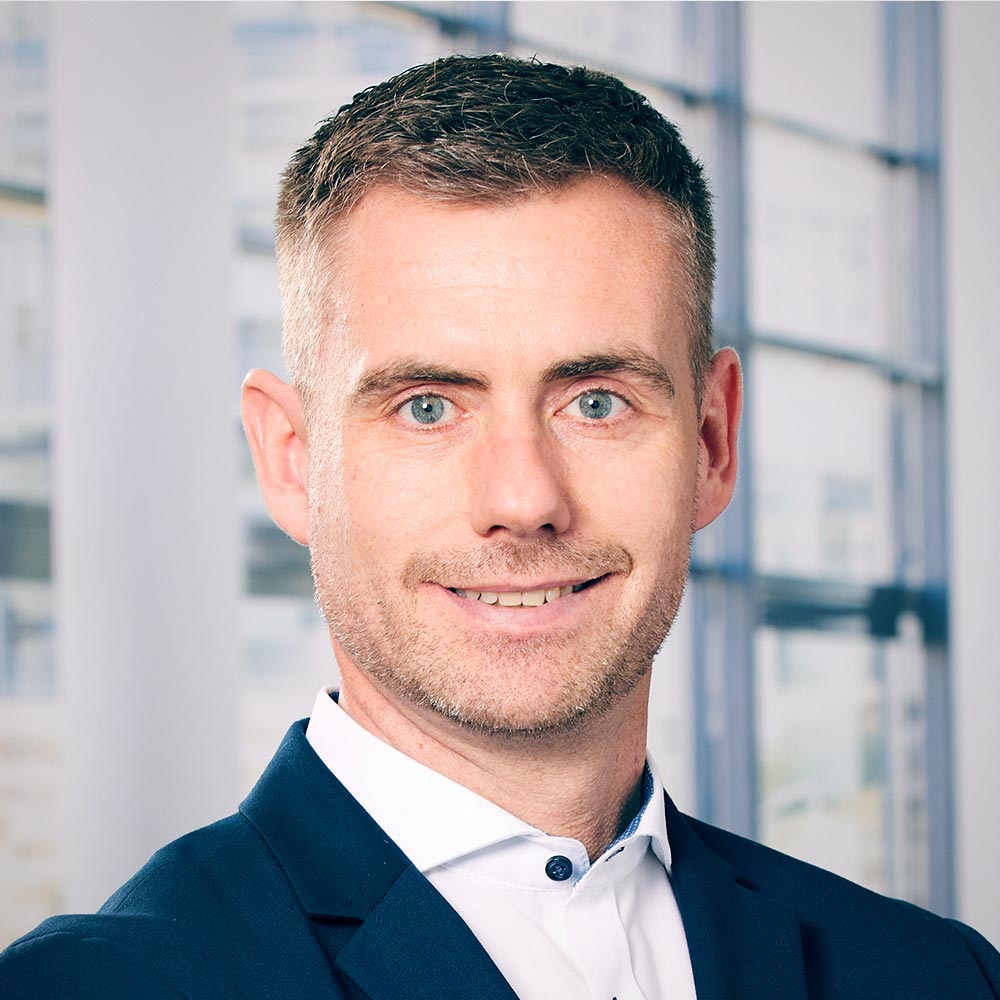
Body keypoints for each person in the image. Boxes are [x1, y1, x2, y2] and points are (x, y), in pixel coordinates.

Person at [1, 54, 997, 1000]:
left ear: (711, 441)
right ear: (292, 460)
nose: (524, 500)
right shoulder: (106, 985)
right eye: (428, 406)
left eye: (596, 402)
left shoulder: (934, 975)